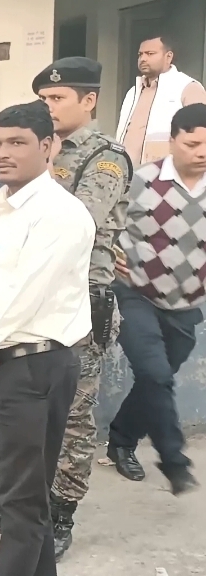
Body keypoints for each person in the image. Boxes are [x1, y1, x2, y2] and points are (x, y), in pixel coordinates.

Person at [0, 101, 94, 576]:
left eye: (17, 143)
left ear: (48, 147)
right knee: (12, 494)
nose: (2, 153)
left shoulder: (62, 214)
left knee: (23, 503)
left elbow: (20, 298)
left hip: (34, 368)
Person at [33, 56, 132, 561]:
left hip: (80, 299)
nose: (48, 107)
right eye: (44, 99)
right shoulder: (36, 146)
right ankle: (12, 500)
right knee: (25, 407)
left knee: (72, 414)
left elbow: (78, 218)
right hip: (33, 296)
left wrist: (42, 170)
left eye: (58, 98)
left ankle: (61, 511)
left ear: (88, 100)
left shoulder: (105, 157)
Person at [108, 103, 206, 496]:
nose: (201, 152)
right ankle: (175, 463)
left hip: (186, 306)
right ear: (173, 141)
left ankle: (121, 439)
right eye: (193, 144)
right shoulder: (142, 181)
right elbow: (104, 225)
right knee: (155, 374)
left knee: (156, 380)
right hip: (134, 295)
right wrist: (112, 253)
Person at [117, 36, 206, 166]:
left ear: (168, 57)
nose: (143, 59)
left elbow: (200, 134)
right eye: (140, 54)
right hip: (126, 172)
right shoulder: (133, 91)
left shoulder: (187, 87)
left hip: (166, 171)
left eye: (150, 53)